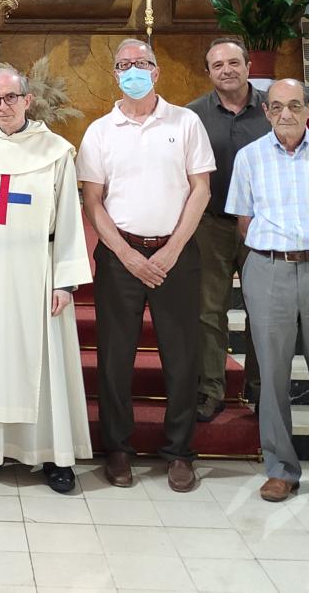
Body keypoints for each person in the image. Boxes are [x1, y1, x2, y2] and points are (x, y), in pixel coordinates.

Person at [0, 66, 92, 495]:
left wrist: (64, 281)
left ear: (28, 101)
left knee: (41, 363)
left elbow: (68, 217)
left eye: (10, 98)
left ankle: (49, 454)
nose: (3, 107)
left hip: (38, 273)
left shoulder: (56, 151)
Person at [78, 39, 213, 492]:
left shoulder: (186, 122)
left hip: (176, 254)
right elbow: (92, 200)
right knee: (115, 356)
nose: (133, 70)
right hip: (121, 256)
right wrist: (128, 254)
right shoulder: (100, 130)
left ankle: (180, 451)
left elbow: (201, 190)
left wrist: (172, 250)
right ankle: (117, 448)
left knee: (181, 355)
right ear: (114, 74)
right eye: (124, 65)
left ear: (156, 72)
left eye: (141, 63)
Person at [226, 78, 309, 513]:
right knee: (272, 375)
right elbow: (244, 222)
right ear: (265, 111)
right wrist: (279, 250)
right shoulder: (249, 158)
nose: (285, 114)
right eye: (276, 107)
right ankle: (280, 470)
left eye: (294, 106)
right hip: (269, 270)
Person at [186, 39, 270, 421]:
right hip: (212, 223)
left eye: (233, 62)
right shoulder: (192, 116)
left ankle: (260, 390)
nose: (226, 70)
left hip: (265, 225)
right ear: (207, 72)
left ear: (248, 65)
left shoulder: (274, 109)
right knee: (207, 310)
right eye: (217, 65)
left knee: (264, 310)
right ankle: (210, 390)